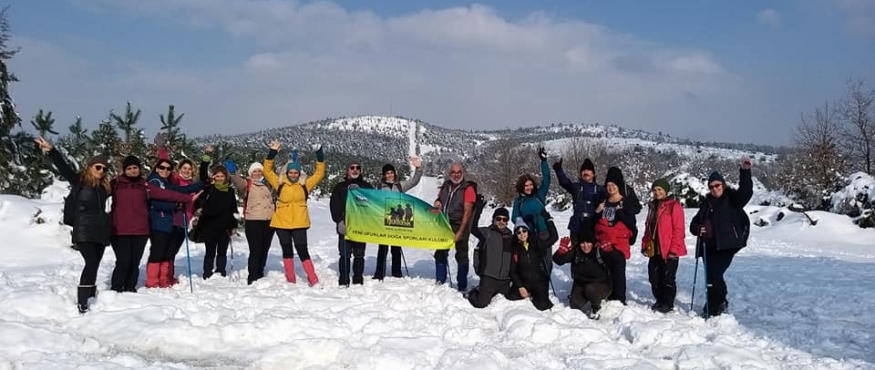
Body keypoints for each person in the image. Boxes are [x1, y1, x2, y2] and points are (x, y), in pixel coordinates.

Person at [37, 137, 111, 314]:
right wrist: (52, 151)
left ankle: (91, 294)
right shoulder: (79, 181)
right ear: (90, 167)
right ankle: (82, 301)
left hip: (100, 230)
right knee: (91, 262)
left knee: (96, 263)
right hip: (83, 230)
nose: (101, 171)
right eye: (97, 167)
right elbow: (63, 167)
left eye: (104, 168)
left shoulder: (104, 188)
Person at [109, 155, 197, 293]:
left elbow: (167, 194)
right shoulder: (115, 184)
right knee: (123, 261)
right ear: (124, 170)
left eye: (135, 168)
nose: (133, 171)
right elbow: (98, 193)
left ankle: (130, 287)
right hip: (120, 229)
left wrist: (187, 198)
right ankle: (116, 287)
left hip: (140, 230)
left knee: (134, 261)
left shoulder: (145, 186)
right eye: (129, 168)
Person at [689, 158, 753, 317]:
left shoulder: (732, 199)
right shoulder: (707, 204)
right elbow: (693, 224)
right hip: (708, 247)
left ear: (723, 185)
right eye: (711, 186)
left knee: (715, 276)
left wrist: (745, 172)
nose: (714, 189)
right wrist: (698, 228)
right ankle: (717, 302)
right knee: (710, 278)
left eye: (717, 185)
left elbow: (746, 191)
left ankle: (714, 306)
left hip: (726, 246)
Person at [263, 140, 326, 286]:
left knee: (302, 250)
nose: (293, 174)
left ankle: (313, 278)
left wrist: (319, 155)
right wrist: (272, 153)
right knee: (287, 250)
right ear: (287, 172)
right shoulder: (279, 182)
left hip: (299, 222)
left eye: (295, 172)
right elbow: (267, 171)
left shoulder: (305, 184)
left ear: (299, 173)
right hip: (282, 223)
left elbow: (319, 173)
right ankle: (291, 278)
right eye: (291, 172)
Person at [146, 155, 202, 287]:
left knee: (168, 251)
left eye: (168, 168)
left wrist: (201, 184)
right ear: (157, 168)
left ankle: (164, 278)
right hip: (159, 221)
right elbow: (156, 202)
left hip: (169, 222)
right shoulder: (154, 181)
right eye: (162, 168)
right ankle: (153, 280)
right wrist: (177, 204)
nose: (165, 170)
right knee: (158, 252)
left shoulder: (166, 183)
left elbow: (182, 190)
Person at [373, 157, 423, 280]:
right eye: (387, 173)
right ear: (384, 175)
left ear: (395, 174)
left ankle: (396, 272)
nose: (390, 175)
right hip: (384, 222)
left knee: (396, 249)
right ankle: (379, 272)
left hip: (397, 221)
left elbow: (414, 181)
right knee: (382, 249)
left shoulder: (400, 186)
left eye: (391, 173)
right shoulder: (379, 188)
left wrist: (418, 168)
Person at [228, 158, 276, 285]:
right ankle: (253, 276)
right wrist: (233, 173)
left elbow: (281, 176)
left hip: (269, 220)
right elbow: (238, 181)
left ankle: (260, 272)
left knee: (265, 248)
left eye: (259, 171)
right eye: (255, 171)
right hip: (253, 221)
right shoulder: (247, 184)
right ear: (250, 173)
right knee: (255, 250)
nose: (257, 173)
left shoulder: (269, 184)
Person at [641, 178, 686, 313]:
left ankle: (667, 302)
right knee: (653, 276)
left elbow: (679, 230)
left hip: (669, 249)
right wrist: (644, 244)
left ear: (666, 191)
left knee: (667, 278)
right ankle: (659, 299)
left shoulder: (674, 206)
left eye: (659, 189)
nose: (656, 192)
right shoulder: (653, 207)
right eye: (654, 190)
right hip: (654, 248)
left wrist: (674, 249)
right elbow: (648, 228)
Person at [193, 149, 239, 279]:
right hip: (210, 225)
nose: (219, 178)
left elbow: (233, 209)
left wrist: (233, 225)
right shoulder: (209, 189)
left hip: (224, 227)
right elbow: (202, 174)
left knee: (222, 251)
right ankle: (207, 272)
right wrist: (206, 157)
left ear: (226, 177)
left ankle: (221, 271)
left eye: (222, 176)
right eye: (217, 176)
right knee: (210, 251)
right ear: (213, 177)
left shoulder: (229, 191)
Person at [553, 223, 611, 320]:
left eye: (588, 242)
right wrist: (560, 253)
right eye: (582, 243)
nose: (585, 246)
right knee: (574, 304)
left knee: (591, 289)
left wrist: (610, 252)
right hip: (581, 285)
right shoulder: (576, 252)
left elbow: (616, 261)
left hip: (601, 285)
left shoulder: (599, 251)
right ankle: (587, 297)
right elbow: (558, 261)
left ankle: (596, 308)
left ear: (593, 242)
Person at [594, 169, 636, 305]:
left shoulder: (625, 202)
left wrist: (620, 213)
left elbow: (632, 223)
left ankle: (619, 299)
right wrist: (597, 212)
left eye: (614, 185)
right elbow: (595, 222)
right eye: (608, 185)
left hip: (619, 244)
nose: (611, 188)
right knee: (606, 271)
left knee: (618, 272)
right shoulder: (604, 202)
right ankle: (609, 295)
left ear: (619, 186)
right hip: (604, 243)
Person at [433, 163, 477, 291]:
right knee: (440, 251)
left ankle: (462, 284)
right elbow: (440, 199)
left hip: (460, 224)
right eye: (453, 172)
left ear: (462, 173)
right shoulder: (446, 185)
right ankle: (440, 280)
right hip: (445, 223)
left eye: (459, 172)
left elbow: (468, 213)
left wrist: (461, 232)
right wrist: (437, 202)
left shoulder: (468, 189)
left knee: (462, 254)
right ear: (449, 173)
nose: (456, 175)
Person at [511, 147, 554, 273]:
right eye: (526, 186)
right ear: (521, 187)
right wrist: (524, 223)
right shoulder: (519, 201)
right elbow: (515, 217)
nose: (529, 187)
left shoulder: (539, 195)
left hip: (544, 232)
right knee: (532, 260)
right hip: (529, 234)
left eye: (530, 185)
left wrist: (544, 162)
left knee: (546, 259)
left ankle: (545, 280)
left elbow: (547, 179)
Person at [330, 160, 372, 286]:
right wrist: (339, 221)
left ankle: (358, 280)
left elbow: (372, 205)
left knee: (359, 255)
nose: (355, 170)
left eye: (357, 168)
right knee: (344, 254)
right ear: (348, 170)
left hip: (360, 225)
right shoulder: (340, 187)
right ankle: (344, 280)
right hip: (345, 224)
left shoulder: (367, 187)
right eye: (352, 167)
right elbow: (334, 205)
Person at [466, 207, 514, 308]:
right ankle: (472, 292)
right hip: (489, 277)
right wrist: (477, 208)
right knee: (481, 304)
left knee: (504, 304)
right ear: (494, 219)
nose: (501, 221)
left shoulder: (510, 237)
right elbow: (472, 228)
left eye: (504, 219)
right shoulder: (487, 233)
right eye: (498, 219)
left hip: (505, 280)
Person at [553, 158, 607, 246]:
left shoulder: (600, 189)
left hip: (592, 227)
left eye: (588, 170)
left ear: (593, 174)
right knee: (576, 254)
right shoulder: (576, 187)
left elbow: (612, 195)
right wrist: (559, 171)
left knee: (591, 254)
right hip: (576, 226)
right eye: (583, 170)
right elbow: (565, 183)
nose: (585, 172)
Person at [508, 219, 554, 311]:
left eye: (524, 230)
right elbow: (512, 271)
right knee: (511, 296)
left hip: (539, 283)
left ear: (528, 231)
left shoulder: (536, 244)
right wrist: (520, 287)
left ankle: (536, 294)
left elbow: (553, 238)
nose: (522, 234)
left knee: (543, 306)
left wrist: (549, 221)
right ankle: (527, 292)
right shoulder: (514, 249)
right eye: (518, 232)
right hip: (524, 283)